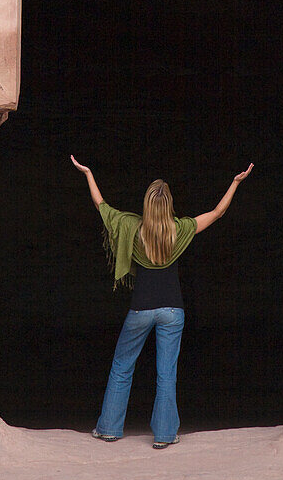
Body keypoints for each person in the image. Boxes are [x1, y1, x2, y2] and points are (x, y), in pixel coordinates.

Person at [70, 153, 253, 449]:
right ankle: (165, 435)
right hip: (172, 311)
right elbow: (218, 212)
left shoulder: (132, 227)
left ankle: (109, 429)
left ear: (146, 204)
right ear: (168, 205)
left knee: (121, 366)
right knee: (166, 373)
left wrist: (88, 173)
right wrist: (235, 182)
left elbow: (101, 205)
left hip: (140, 309)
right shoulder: (180, 230)